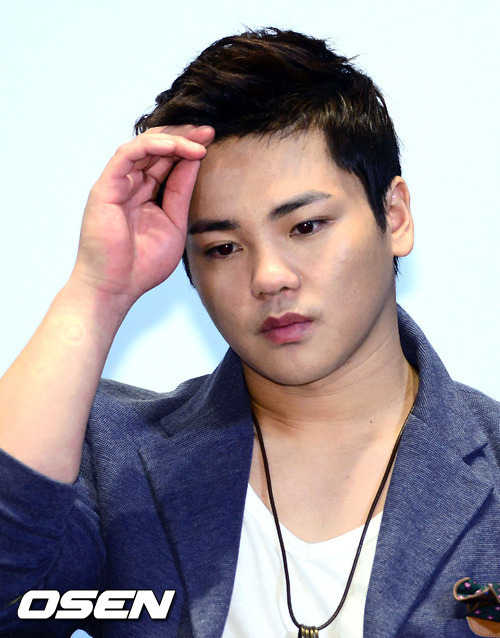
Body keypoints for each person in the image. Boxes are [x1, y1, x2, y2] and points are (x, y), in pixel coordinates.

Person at [1, 27, 499, 638]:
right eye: (223, 247)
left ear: (393, 217)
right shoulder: (113, 459)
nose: (269, 277)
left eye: (306, 227)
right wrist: (96, 291)